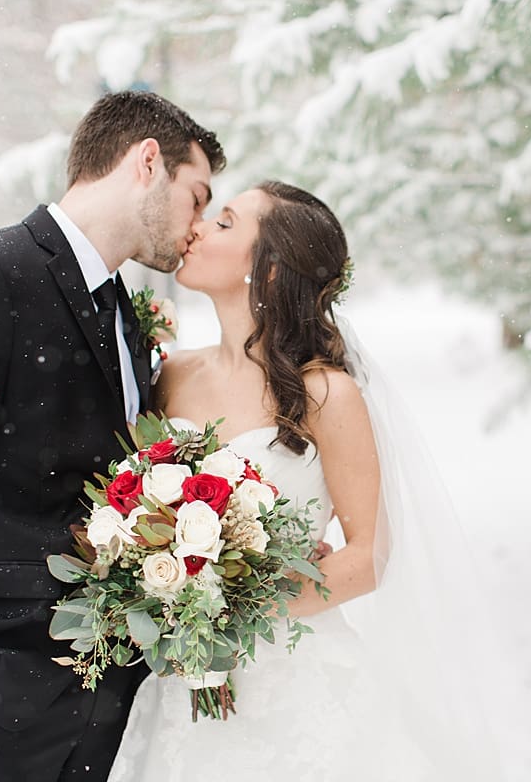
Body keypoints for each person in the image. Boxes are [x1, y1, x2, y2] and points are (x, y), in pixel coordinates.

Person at [0, 90, 226, 781]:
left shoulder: (123, 310)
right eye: (198, 196)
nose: (198, 224)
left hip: (107, 701)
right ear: (147, 162)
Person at [108, 181, 506, 780]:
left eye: (224, 223)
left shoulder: (325, 394)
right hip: (184, 686)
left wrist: (237, 605)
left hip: (294, 682)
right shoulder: (173, 376)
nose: (196, 228)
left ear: (268, 272)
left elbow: (369, 555)